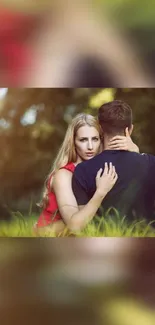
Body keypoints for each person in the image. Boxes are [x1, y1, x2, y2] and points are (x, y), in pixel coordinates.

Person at [35, 112, 139, 236]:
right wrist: (101, 192)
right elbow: (74, 226)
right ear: (73, 142)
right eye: (83, 140)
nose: (90, 146)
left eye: (95, 139)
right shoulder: (63, 175)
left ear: (101, 140)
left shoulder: (102, 167)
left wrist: (134, 152)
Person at [72, 100, 155, 226]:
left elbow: (81, 225)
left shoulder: (82, 170)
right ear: (130, 129)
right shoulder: (151, 163)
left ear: (99, 129)